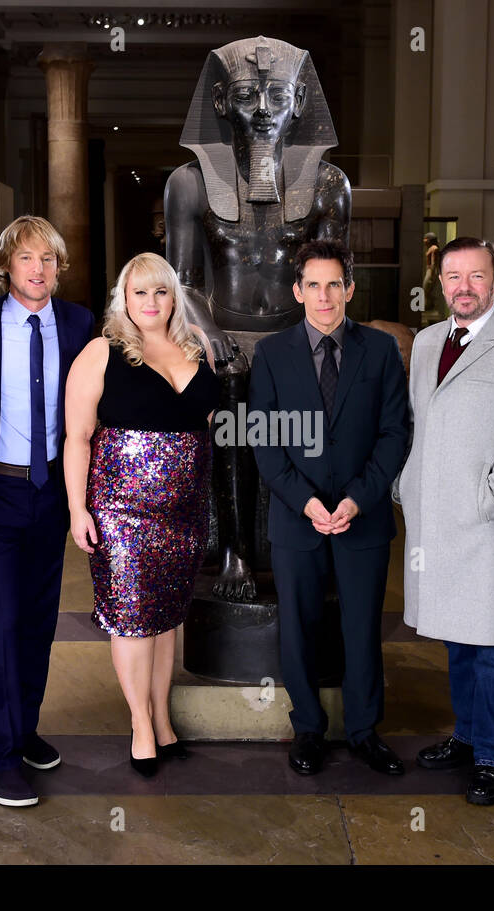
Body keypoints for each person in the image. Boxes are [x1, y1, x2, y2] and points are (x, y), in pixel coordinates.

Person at [165, 35, 351, 601]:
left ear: (300, 104)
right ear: (221, 103)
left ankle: (304, 551)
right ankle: (235, 551)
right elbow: (182, 283)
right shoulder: (190, 183)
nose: (265, 111)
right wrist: (213, 335)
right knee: (235, 435)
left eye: (278, 95)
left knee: (307, 444)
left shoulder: (326, 184)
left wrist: (313, 341)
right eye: (248, 95)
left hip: (298, 338)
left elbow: (335, 281)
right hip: (227, 343)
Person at [397, 237, 494, 806]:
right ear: (440, 283)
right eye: (453, 277)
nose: (463, 287)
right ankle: (465, 737)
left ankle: (493, 755)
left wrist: (490, 497)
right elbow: (417, 422)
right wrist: (405, 483)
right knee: (456, 640)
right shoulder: (427, 342)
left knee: (491, 645)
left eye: (476, 276)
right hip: (433, 519)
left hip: (486, 523)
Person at [248, 238, 411, 776]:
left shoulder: (381, 350)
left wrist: (358, 500)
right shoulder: (271, 354)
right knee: (299, 628)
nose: (324, 296)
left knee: (363, 627)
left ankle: (365, 731)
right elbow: (265, 441)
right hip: (298, 519)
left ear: (350, 289)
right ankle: (310, 730)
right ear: (297, 291)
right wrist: (309, 502)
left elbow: (395, 434)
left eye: (334, 284)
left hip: (362, 518)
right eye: (313, 285)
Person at [0, 216, 93, 808]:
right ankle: (0, 756)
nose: (39, 271)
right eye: (28, 259)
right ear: (6, 264)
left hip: (52, 495)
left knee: (38, 620)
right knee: (2, 621)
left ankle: (24, 728)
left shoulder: (80, 324)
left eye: (50, 260)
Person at [63, 252, 219, 778]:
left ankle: (162, 716)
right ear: (123, 300)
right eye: (140, 293)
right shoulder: (100, 353)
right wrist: (77, 509)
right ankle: (140, 725)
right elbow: (78, 438)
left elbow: (204, 425)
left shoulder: (198, 348)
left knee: (168, 618)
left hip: (186, 513)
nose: (151, 303)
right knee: (132, 620)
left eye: (161, 292)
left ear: (173, 297)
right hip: (122, 514)